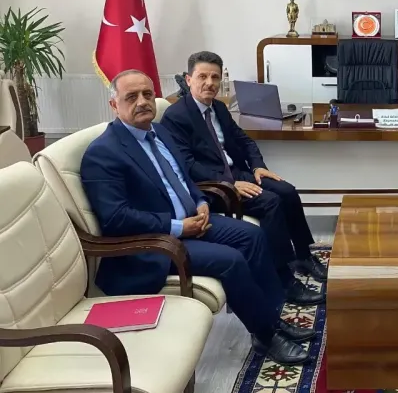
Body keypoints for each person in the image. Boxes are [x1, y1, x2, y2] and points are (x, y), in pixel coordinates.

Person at [81, 70, 320, 365]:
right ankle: (266, 336)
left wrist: (200, 201)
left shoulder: (160, 132)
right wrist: (179, 226)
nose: (142, 101)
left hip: (194, 220)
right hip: (156, 242)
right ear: (114, 105)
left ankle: (272, 319)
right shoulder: (103, 153)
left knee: (254, 236)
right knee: (231, 260)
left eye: (147, 94)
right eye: (131, 97)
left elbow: (183, 178)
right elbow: (116, 218)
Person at [159, 51, 328, 283]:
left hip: (237, 173)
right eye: (202, 77)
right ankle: (282, 277)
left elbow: (245, 140)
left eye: (215, 77)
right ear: (188, 80)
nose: (209, 83)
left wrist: (258, 166)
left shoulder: (218, 108)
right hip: (212, 186)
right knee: (270, 202)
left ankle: (303, 256)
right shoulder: (176, 116)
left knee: (287, 191)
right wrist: (230, 184)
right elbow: (187, 165)